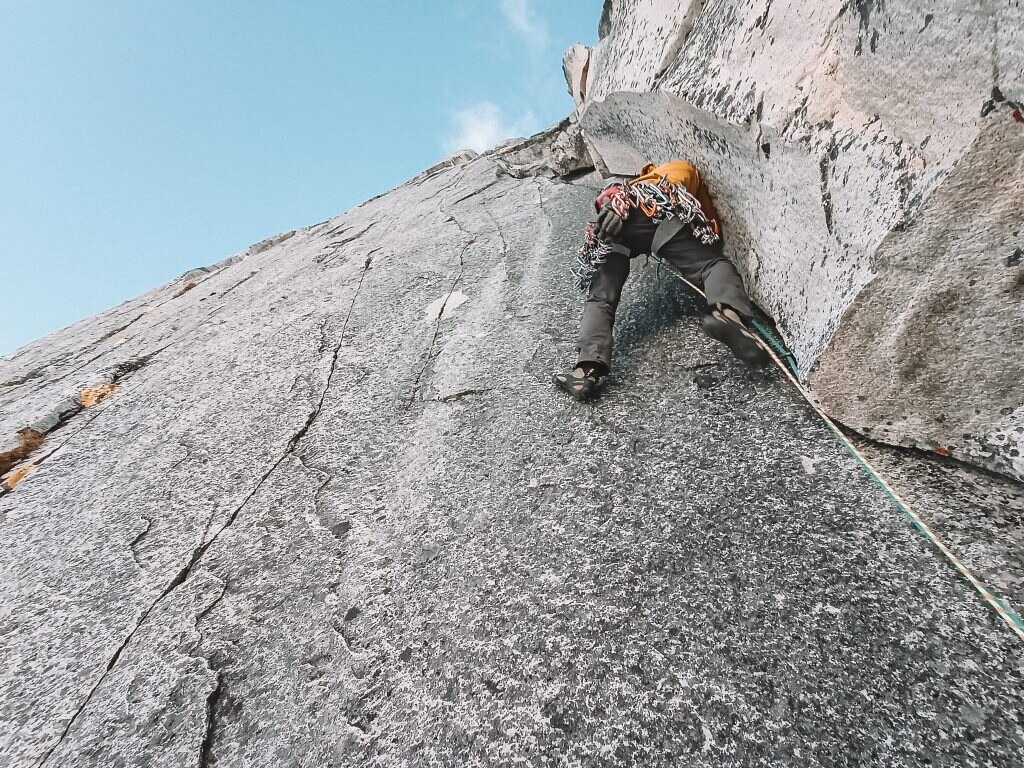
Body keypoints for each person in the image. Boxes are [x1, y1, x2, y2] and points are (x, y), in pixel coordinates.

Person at [554, 160, 768, 401]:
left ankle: (585, 371)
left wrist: (610, 207)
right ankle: (727, 314)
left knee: (600, 299)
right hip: (651, 214)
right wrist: (620, 204)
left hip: (610, 232)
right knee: (712, 266)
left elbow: (607, 197)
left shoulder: (629, 186)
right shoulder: (662, 173)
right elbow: (679, 175)